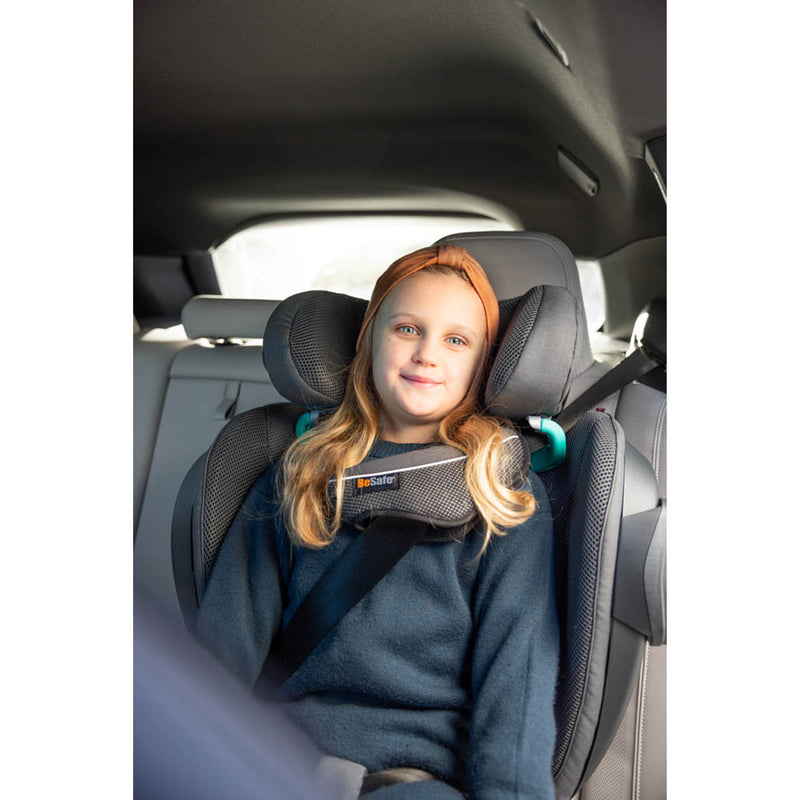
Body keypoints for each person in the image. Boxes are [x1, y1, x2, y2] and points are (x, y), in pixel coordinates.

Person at [194, 245, 559, 799]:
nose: (427, 354)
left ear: (482, 365)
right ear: (368, 342)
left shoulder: (502, 491)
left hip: (414, 779)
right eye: (407, 329)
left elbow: (518, 679)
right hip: (278, 764)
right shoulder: (301, 474)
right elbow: (223, 652)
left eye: (456, 340)